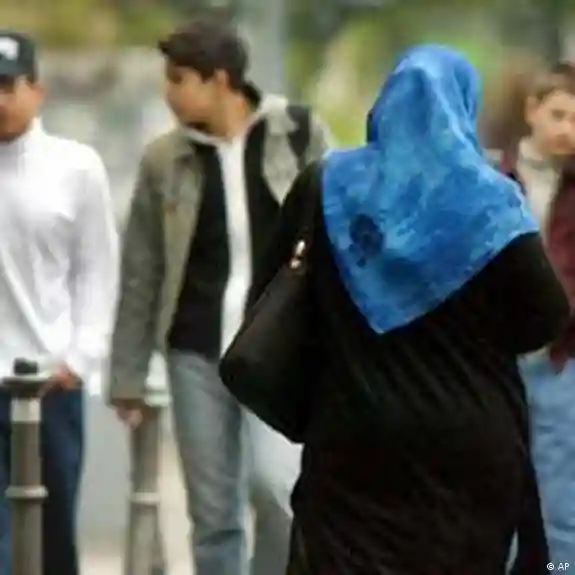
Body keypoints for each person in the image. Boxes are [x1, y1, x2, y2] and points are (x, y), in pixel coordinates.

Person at [249, 45, 569, 574]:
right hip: (468, 448)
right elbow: (544, 318)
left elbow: (272, 291)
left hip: (350, 438)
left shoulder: (325, 185)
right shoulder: (492, 203)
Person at [107, 18, 331, 575]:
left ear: (221, 80)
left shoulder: (297, 133)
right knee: (212, 514)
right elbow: (142, 270)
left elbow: (338, 236)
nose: (168, 92)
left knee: (277, 489)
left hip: (276, 349)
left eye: (179, 79)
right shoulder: (164, 160)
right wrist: (128, 375)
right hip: (196, 352)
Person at [0, 31, 119, 575]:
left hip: (51, 382)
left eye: (8, 87)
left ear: (37, 91)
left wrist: (80, 357)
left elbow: (97, 268)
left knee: (53, 533)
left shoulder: (76, 167)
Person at [494, 62, 575, 566]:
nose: (568, 130)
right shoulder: (494, 180)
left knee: (561, 500)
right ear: (531, 111)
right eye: (558, 115)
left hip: (561, 359)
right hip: (498, 361)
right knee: (496, 491)